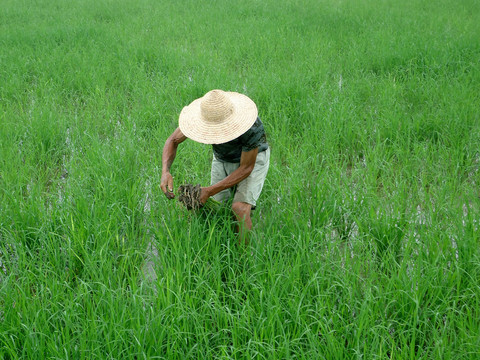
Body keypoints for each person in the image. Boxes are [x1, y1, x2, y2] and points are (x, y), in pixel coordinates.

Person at [160, 89, 270, 243]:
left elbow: (246, 168)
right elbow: (172, 140)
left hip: (253, 158)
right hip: (222, 158)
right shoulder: (198, 118)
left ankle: (244, 259)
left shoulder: (251, 126)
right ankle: (220, 243)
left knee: (239, 208)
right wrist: (165, 171)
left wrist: (209, 191)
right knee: (218, 208)